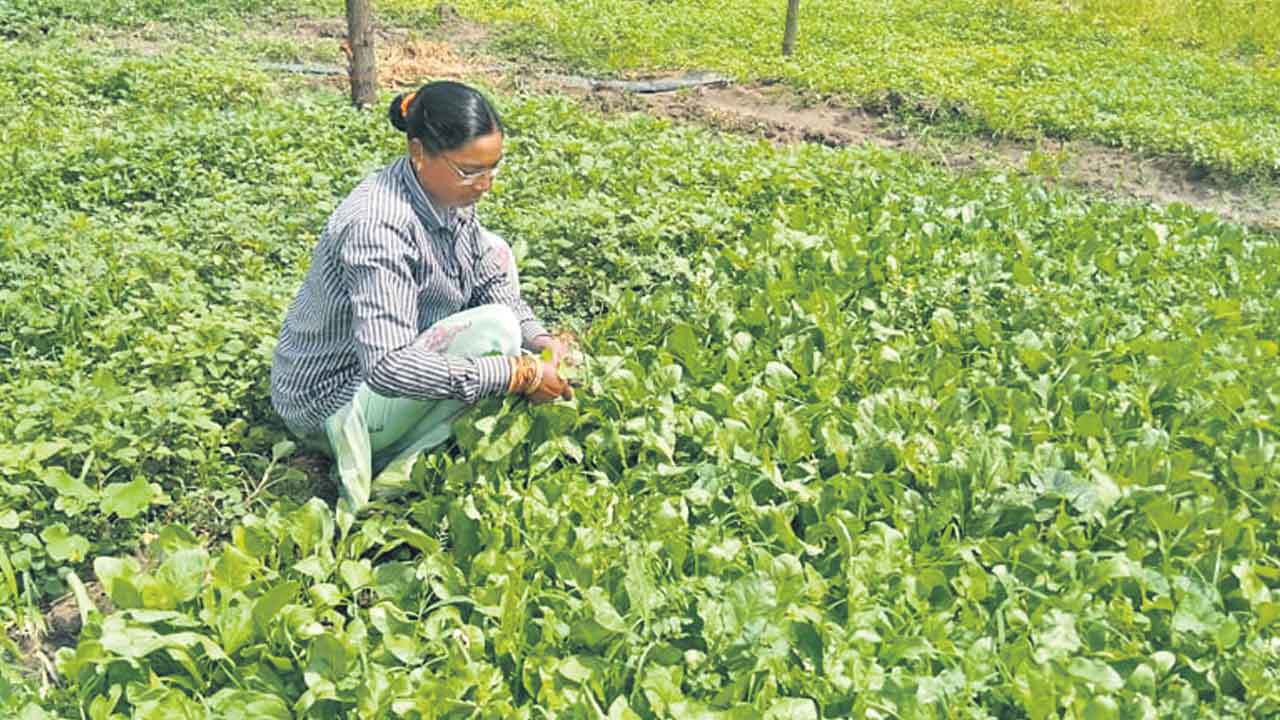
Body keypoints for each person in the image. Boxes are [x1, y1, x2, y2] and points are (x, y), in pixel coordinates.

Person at [270, 80, 574, 512]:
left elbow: (486, 275)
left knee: (498, 252)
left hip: (387, 362)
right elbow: (387, 367)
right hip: (333, 401)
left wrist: (539, 339)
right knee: (497, 328)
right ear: (418, 152)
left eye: (493, 168)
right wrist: (515, 373)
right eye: (470, 171)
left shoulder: (446, 193)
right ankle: (398, 464)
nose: (485, 185)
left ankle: (426, 435)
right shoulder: (378, 228)